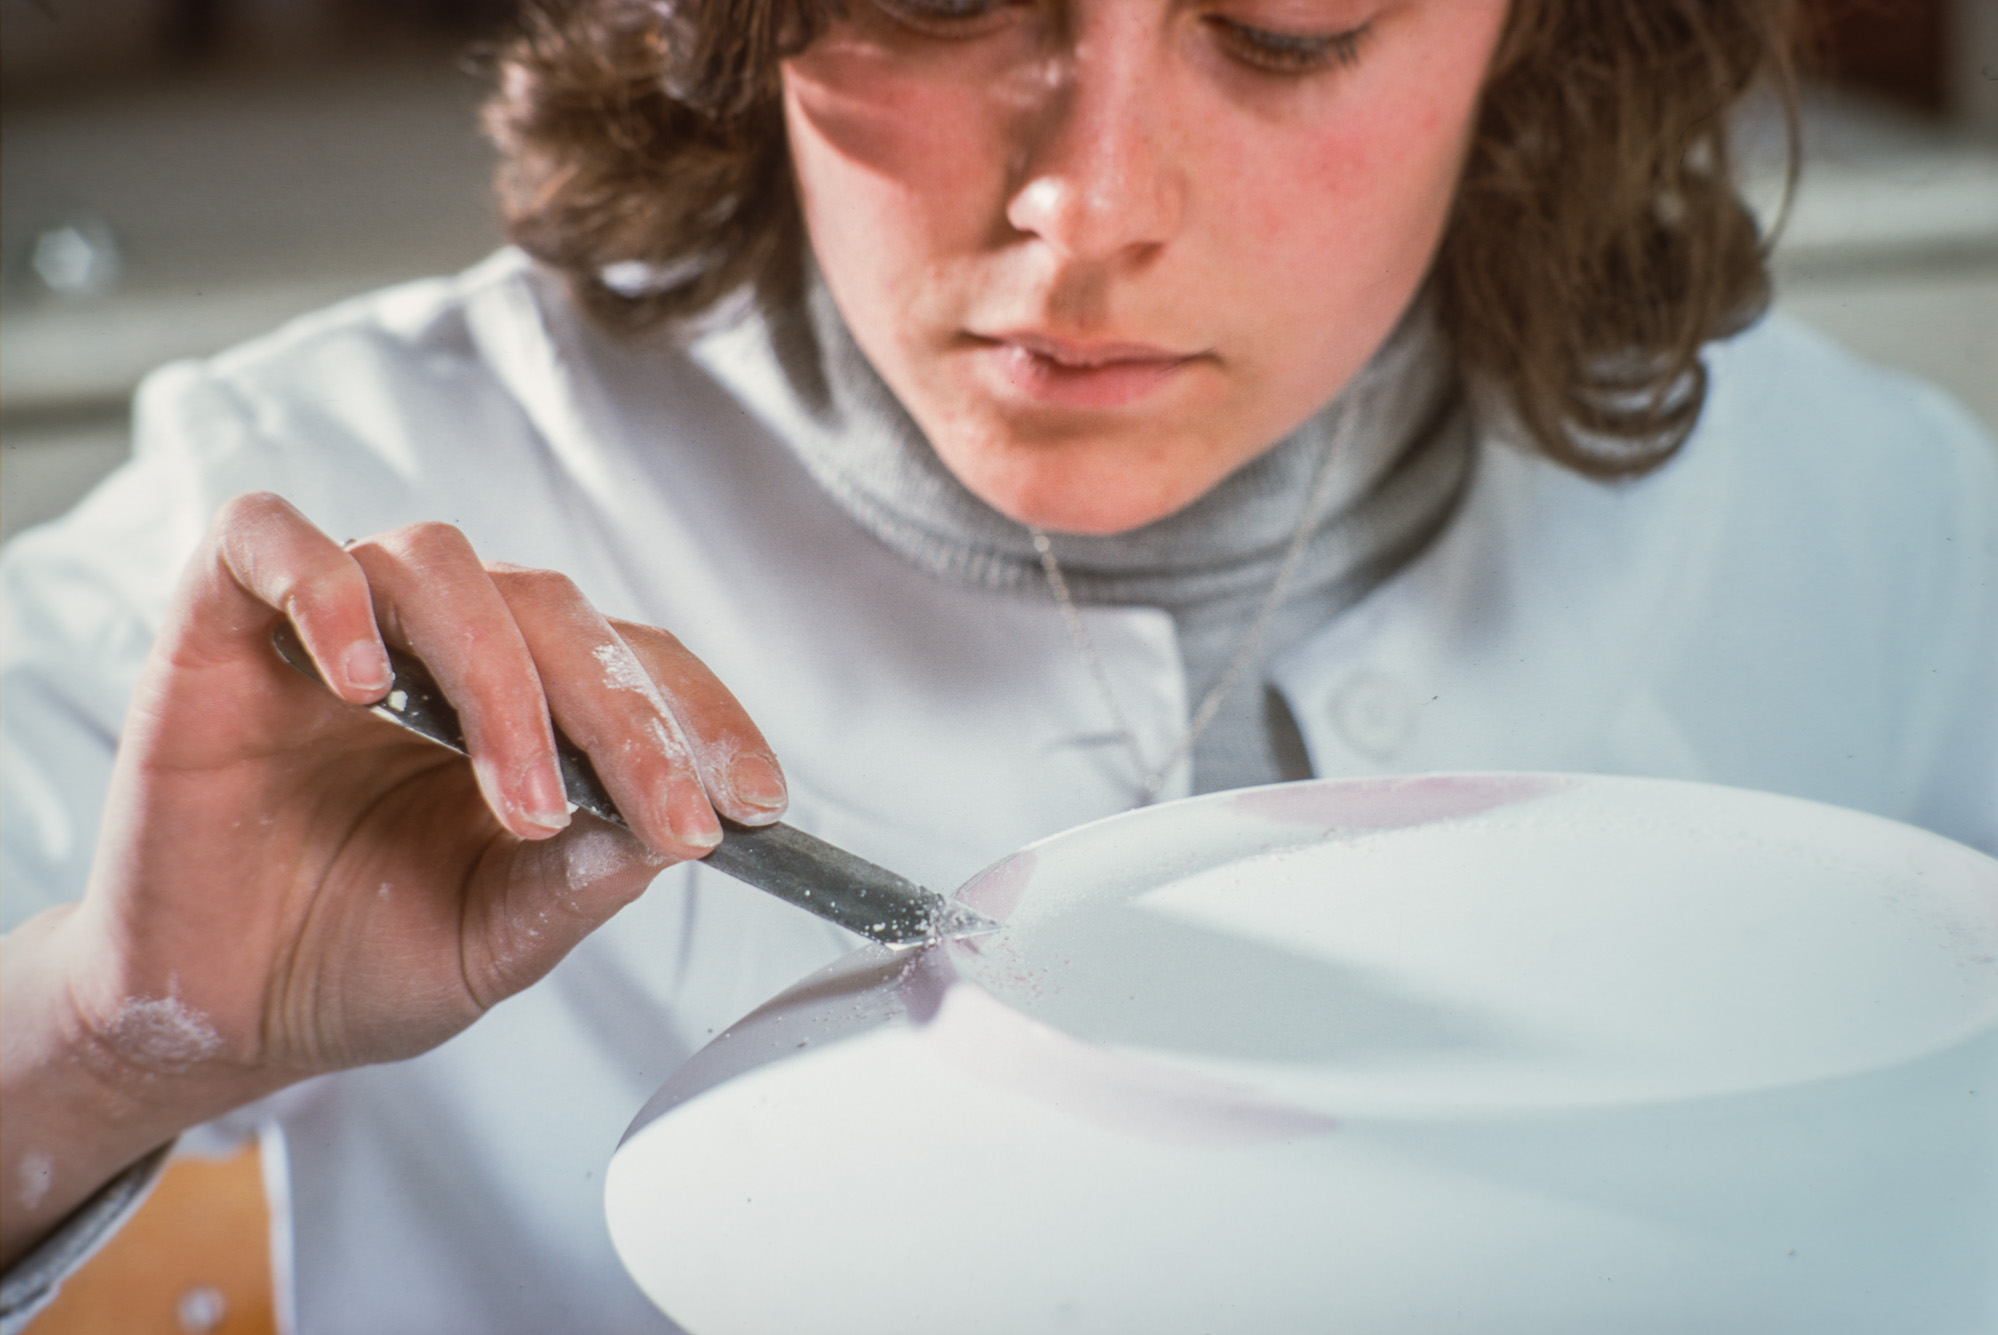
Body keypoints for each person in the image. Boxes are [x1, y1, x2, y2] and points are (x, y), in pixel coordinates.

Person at [3, 0, 1993, 1328]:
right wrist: (100, 1033)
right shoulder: (335, 534)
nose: (1090, 204)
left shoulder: (1874, 528)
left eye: (1289, 28)